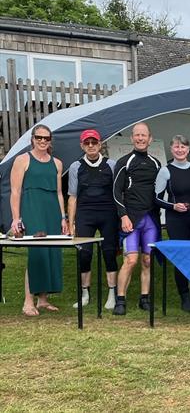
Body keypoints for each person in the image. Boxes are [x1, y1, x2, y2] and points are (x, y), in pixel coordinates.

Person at [9, 124, 69, 316]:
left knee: (51, 252)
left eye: (46, 138)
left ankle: (43, 300)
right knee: (37, 254)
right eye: (39, 137)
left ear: (50, 140)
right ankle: (28, 301)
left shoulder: (57, 163)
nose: (42, 141)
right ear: (33, 139)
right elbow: (15, 191)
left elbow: (60, 192)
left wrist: (63, 217)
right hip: (32, 207)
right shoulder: (22, 159)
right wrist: (16, 218)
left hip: (52, 209)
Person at [154, 135, 190, 313]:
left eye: (183, 147)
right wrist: (173, 206)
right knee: (181, 258)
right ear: (171, 149)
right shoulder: (166, 171)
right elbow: (156, 197)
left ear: (188, 149)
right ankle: (184, 297)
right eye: (177, 147)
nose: (180, 150)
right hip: (176, 220)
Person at [112, 122, 162, 315]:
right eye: (137, 135)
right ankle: (121, 300)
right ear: (132, 138)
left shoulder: (156, 164)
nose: (140, 138)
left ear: (150, 139)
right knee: (131, 260)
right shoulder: (124, 161)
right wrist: (123, 215)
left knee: (147, 261)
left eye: (144, 135)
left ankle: (144, 299)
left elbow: (161, 192)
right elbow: (116, 192)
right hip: (131, 220)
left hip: (151, 220)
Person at [67, 129, 119, 310]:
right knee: (85, 253)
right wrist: (71, 222)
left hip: (108, 214)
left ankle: (112, 293)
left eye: (94, 142)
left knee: (110, 253)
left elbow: (118, 193)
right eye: (87, 143)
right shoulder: (75, 167)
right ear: (82, 145)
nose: (91, 146)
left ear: (100, 144)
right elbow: (72, 196)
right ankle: (85, 293)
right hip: (85, 214)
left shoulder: (111, 165)